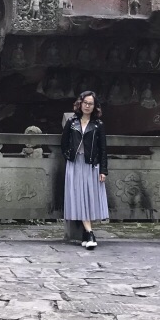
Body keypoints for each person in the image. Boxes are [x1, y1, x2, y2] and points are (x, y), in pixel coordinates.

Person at [61, 90, 108, 249]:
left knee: (88, 198)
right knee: (78, 196)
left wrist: (103, 170)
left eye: (91, 104)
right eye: (85, 103)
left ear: (95, 106)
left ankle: (87, 233)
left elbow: (103, 149)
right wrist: (69, 156)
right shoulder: (72, 122)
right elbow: (64, 142)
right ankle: (89, 233)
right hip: (75, 164)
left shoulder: (98, 125)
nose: (87, 106)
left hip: (91, 164)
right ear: (80, 103)